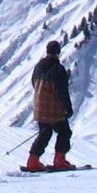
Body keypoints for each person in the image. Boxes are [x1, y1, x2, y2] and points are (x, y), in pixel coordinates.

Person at [21, 40, 74, 172]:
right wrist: (67, 108)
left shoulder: (38, 67)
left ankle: (32, 162)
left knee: (44, 133)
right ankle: (59, 160)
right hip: (54, 109)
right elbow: (61, 91)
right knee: (64, 132)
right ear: (58, 53)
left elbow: (34, 83)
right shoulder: (58, 69)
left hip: (39, 108)